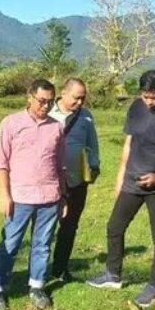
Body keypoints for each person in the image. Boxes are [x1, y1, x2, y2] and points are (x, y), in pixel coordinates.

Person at [87, 70, 155, 308]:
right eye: (145, 96)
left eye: (153, 97)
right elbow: (129, 143)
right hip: (132, 181)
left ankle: (154, 286)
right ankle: (113, 274)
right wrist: (120, 178)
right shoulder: (135, 108)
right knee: (114, 226)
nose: (149, 101)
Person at [0, 79, 67, 310]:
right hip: (20, 197)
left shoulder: (57, 127)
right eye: (42, 101)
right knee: (10, 244)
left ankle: (37, 286)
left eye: (50, 102)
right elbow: (1, 162)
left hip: (49, 197)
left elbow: (61, 164)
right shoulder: (11, 123)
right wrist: (4, 194)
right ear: (29, 97)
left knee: (42, 245)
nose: (46, 106)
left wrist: (63, 197)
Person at [49, 78, 101, 283]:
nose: (80, 103)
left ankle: (60, 268)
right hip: (51, 180)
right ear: (63, 93)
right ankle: (37, 270)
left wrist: (94, 165)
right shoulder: (48, 114)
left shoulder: (86, 117)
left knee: (70, 225)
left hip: (76, 180)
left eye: (83, 98)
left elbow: (92, 143)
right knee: (45, 226)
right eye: (76, 98)